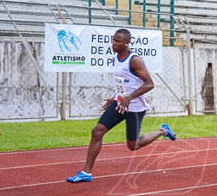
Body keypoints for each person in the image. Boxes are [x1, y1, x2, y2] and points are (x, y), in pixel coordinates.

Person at [66, 28, 176, 183]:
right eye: (113, 40)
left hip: (135, 107)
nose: (113, 43)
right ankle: (86, 172)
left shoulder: (134, 60)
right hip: (120, 103)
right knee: (97, 132)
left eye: (117, 41)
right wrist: (115, 98)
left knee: (133, 145)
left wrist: (129, 97)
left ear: (127, 43)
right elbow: (125, 83)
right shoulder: (116, 58)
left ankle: (163, 131)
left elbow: (150, 84)